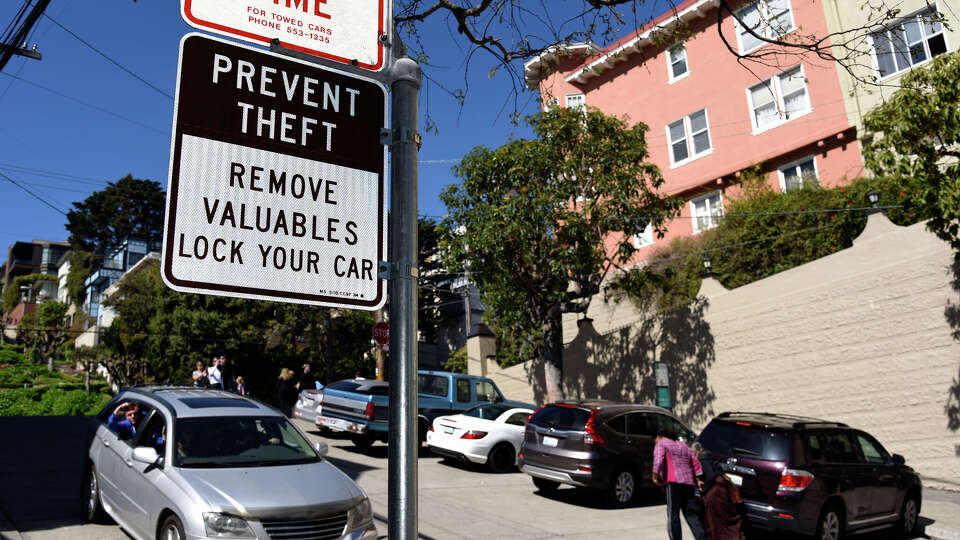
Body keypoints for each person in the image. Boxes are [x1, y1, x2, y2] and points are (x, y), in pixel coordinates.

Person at [653, 430, 708, 540]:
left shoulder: (662, 443)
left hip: (673, 483)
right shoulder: (683, 445)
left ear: (660, 436)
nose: (655, 441)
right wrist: (698, 478)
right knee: (691, 514)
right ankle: (701, 538)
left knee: (673, 515)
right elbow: (695, 461)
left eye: (655, 439)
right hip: (689, 483)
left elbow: (658, 461)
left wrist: (655, 476)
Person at [691, 442, 745, 540]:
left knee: (719, 521)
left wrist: (703, 490)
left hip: (715, 492)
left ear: (694, 452)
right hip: (722, 489)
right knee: (725, 519)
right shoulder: (709, 456)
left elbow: (711, 476)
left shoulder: (702, 459)